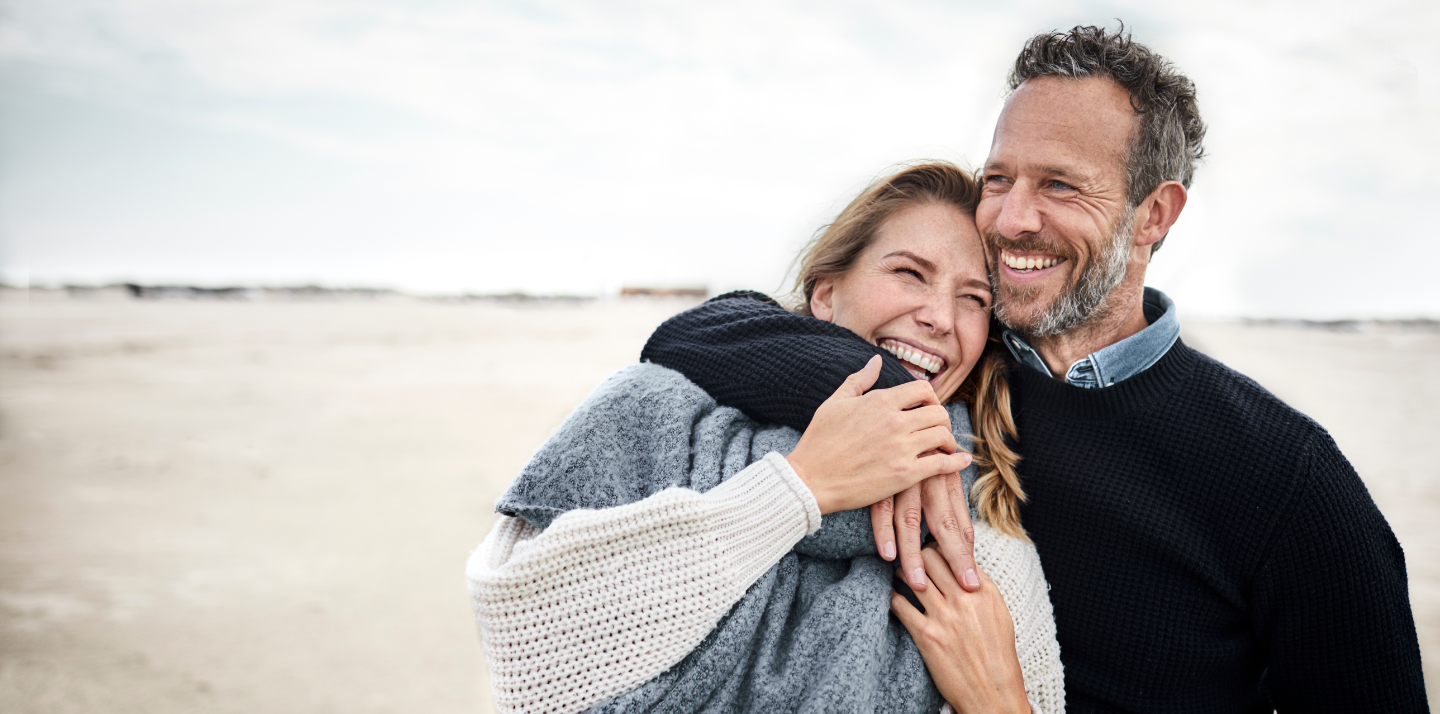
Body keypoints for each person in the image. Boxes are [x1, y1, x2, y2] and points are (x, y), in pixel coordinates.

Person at [646, 26, 1429, 713]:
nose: (1012, 218)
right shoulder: (954, 364)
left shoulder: (1286, 478)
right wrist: (898, 403)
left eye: (1059, 184)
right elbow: (694, 336)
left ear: (1153, 215)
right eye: (998, 179)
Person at [467, 163, 1062, 714]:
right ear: (826, 293)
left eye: (974, 299)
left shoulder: (977, 513)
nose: (940, 317)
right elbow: (521, 648)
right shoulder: (652, 406)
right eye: (909, 273)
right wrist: (799, 488)